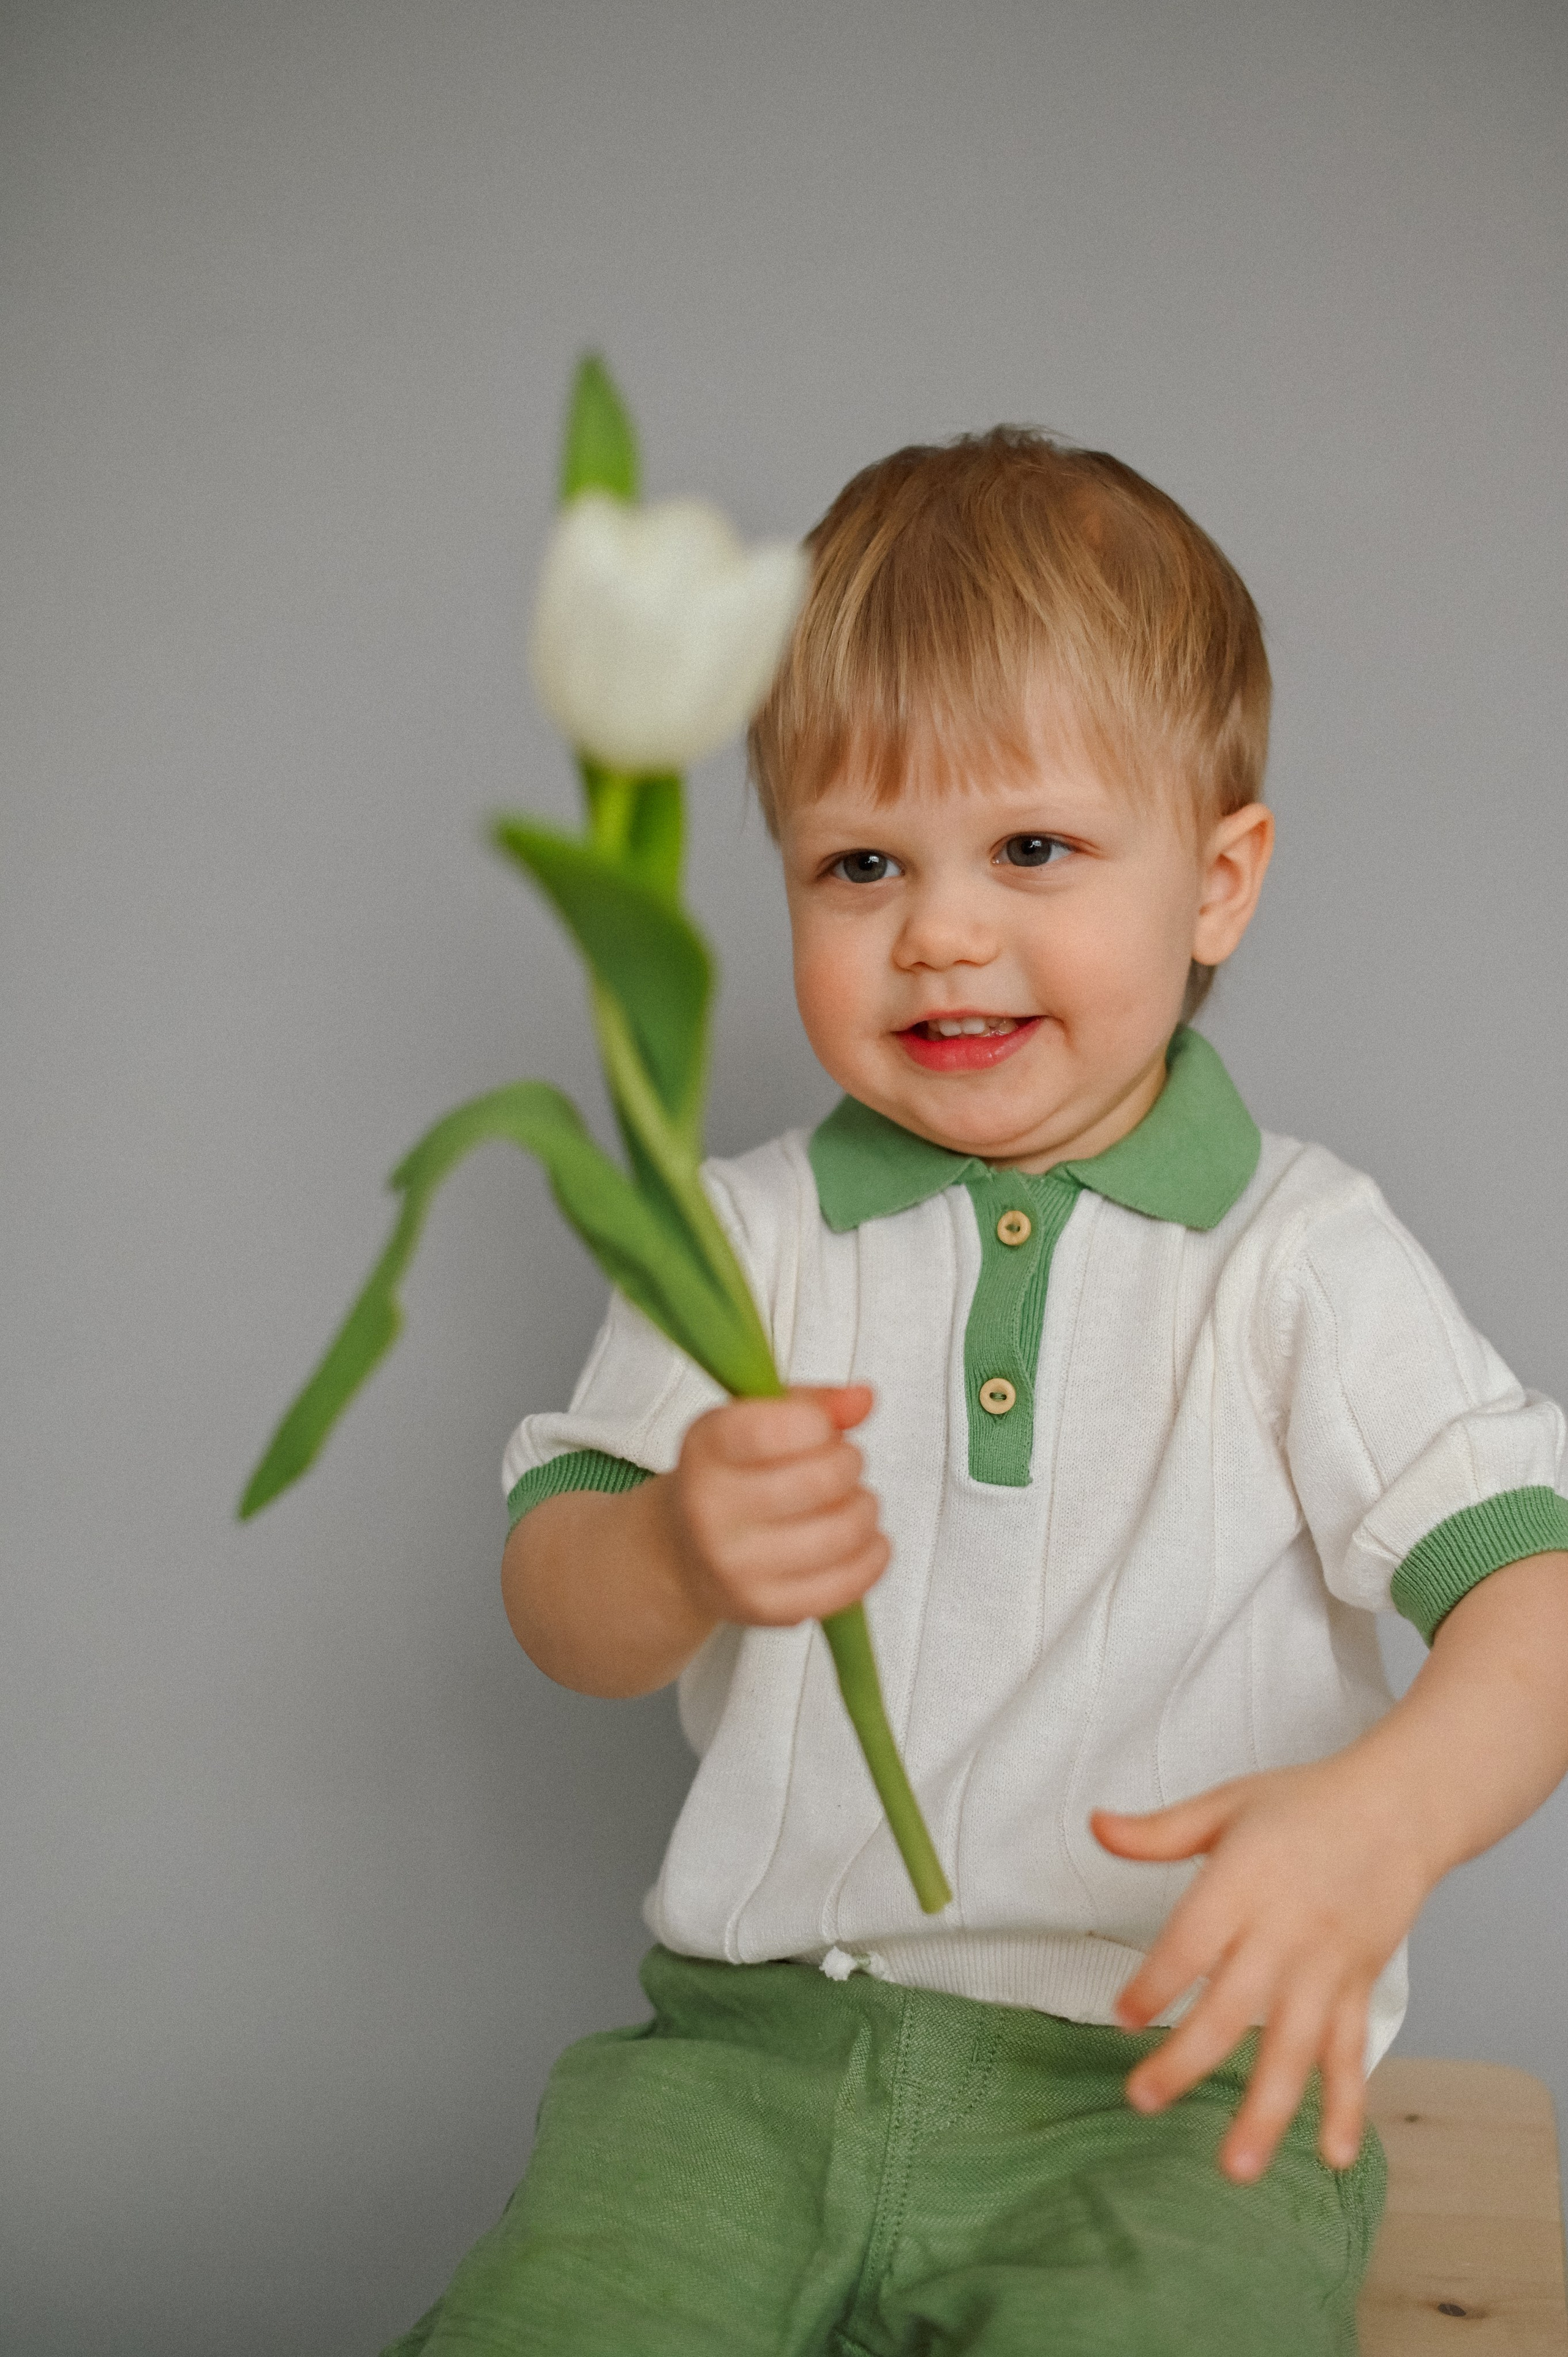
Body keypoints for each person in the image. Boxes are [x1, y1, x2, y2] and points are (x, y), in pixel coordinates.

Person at [387, 430, 1568, 2356]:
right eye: (862, 863)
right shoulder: (746, 1240)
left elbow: (1540, 1590)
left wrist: (1390, 1818)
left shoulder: (1302, 1256)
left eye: (1033, 849)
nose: (940, 929)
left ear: (1219, 880)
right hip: (752, 2061)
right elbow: (560, 1603)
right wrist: (674, 1541)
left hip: (1174, 2097)